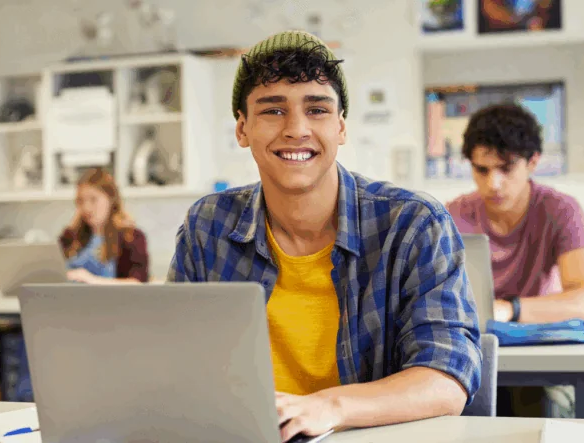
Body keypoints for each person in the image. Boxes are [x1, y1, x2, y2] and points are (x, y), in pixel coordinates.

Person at [167, 30, 481, 442]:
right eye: (273, 111)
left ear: (341, 127)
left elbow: (446, 377)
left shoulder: (412, 224)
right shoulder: (207, 226)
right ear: (242, 129)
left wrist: (329, 407)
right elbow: (175, 367)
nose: (297, 129)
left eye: (316, 110)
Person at [445, 103, 584, 418]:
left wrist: (509, 309)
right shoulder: (452, 215)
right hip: (475, 356)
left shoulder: (560, 211)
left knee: (544, 409)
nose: (493, 184)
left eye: (506, 168)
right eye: (482, 170)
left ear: (533, 162)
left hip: (539, 356)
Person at [59, 167, 150, 284]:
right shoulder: (69, 236)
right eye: (81, 201)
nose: (86, 208)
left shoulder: (131, 237)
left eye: (93, 199)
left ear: (111, 199)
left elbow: (136, 283)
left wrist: (91, 280)